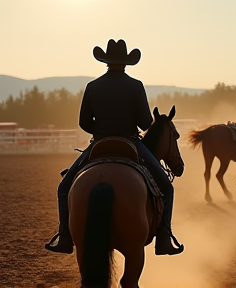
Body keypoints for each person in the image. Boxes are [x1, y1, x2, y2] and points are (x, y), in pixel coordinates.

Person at [45, 39, 184, 256]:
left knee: (64, 187)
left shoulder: (92, 86)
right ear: (126, 63)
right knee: (166, 187)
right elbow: (146, 123)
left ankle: (64, 236)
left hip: (100, 142)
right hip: (131, 141)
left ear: (106, 62)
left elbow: (84, 122)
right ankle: (164, 237)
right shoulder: (136, 86)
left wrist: (100, 130)